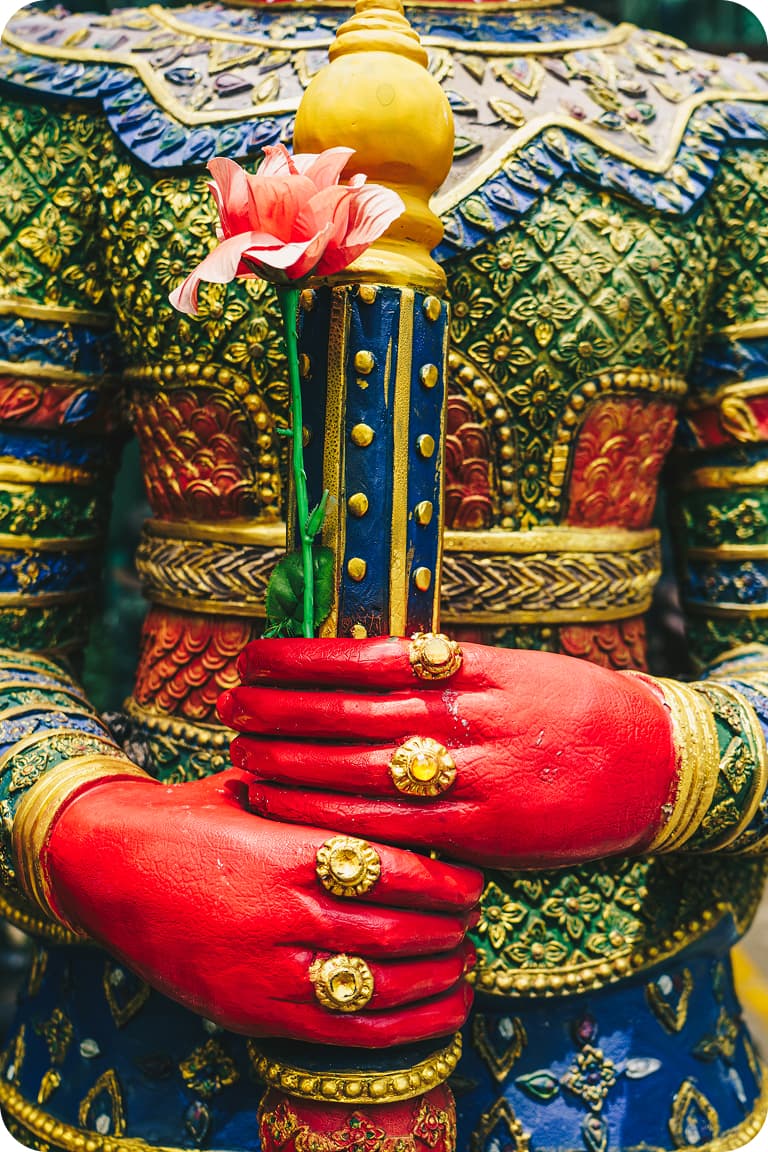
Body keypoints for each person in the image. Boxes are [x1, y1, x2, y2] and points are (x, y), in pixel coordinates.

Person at [0, 0, 768, 1149]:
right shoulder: (73, 89)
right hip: (160, 993)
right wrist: (86, 827)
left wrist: (674, 752)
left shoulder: (725, 123)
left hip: (625, 1031)